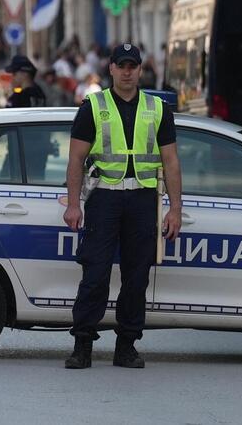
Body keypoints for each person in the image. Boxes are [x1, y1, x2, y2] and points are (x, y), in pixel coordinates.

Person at [61, 43, 183, 370]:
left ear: (141, 69)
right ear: (111, 68)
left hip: (143, 199)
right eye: (122, 65)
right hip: (104, 197)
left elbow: (171, 162)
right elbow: (76, 158)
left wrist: (175, 208)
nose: (127, 71)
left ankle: (126, 346)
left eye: (133, 65)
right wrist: (74, 205)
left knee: (136, 276)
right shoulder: (93, 106)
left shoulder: (157, 108)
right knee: (96, 273)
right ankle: (82, 344)